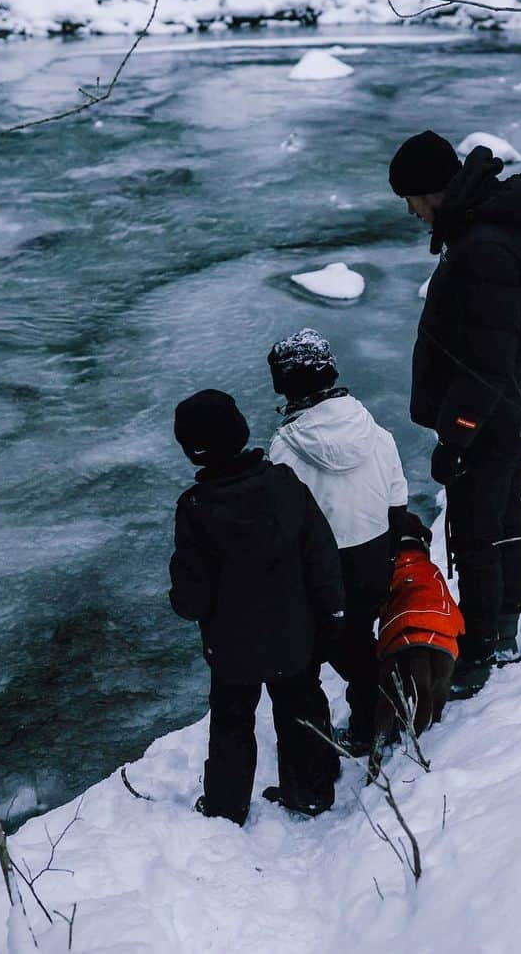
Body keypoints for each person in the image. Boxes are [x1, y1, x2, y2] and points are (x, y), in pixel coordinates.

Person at [388, 130, 521, 698]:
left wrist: (457, 437)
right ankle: (503, 629)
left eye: (411, 199)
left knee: (476, 534)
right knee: (502, 521)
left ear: (434, 191)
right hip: (513, 408)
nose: (411, 212)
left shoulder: (483, 245)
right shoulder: (489, 225)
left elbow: (487, 360)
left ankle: (481, 650)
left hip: (491, 419)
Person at [168, 388, 344, 824]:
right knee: (301, 706)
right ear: (241, 431)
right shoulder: (285, 484)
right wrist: (330, 614)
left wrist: (183, 601)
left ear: (193, 451)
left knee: (231, 722)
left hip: (231, 648)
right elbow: (322, 557)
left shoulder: (195, 508)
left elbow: (191, 598)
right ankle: (312, 791)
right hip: (293, 634)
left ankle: (227, 807)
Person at [267, 329, 408, 757]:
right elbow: (397, 501)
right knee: (359, 644)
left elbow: (282, 528)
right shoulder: (377, 433)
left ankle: (316, 758)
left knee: (309, 661)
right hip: (372, 561)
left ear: (283, 385)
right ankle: (373, 721)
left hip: (320, 574)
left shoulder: (284, 451)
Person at [371, 513, 464, 778]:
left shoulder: (388, 570)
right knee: (430, 697)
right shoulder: (431, 571)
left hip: (402, 640)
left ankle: (377, 755)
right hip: (441, 641)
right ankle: (421, 762)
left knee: (387, 700)